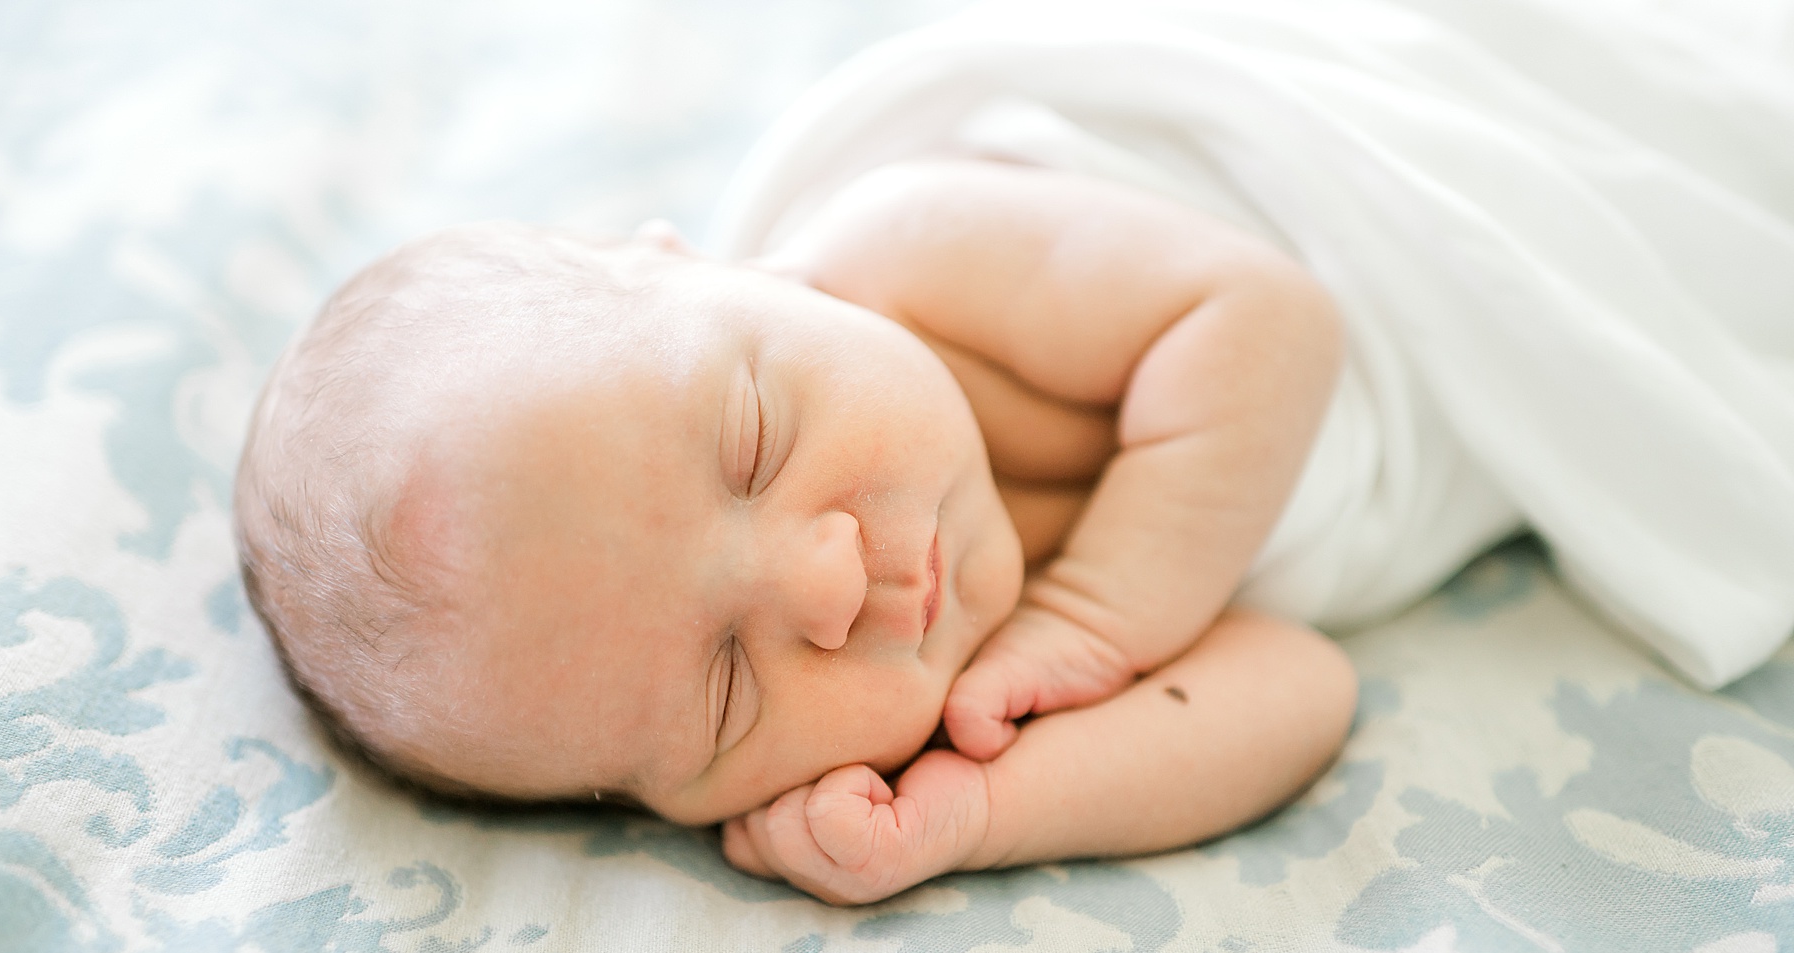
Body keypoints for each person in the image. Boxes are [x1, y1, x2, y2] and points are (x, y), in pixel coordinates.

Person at [233, 158, 1359, 906]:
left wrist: (1096, 613)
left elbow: (1266, 317)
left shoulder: (904, 255)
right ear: (680, 805)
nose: (828, 589)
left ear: (703, 269)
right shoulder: (880, 717)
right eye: (727, 687)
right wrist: (977, 812)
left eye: (753, 444)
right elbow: (1302, 685)